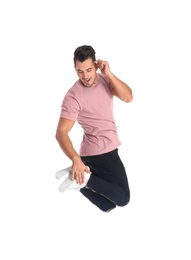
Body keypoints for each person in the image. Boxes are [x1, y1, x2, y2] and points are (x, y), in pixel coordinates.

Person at [55, 45, 133, 212]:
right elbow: (61, 132)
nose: (85, 76)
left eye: (89, 70)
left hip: (92, 153)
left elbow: (128, 97)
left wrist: (109, 74)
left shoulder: (105, 80)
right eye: (79, 71)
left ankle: (78, 178)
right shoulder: (73, 96)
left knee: (108, 205)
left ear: (97, 65)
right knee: (123, 198)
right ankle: (82, 178)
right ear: (75, 69)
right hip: (102, 151)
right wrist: (75, 158)